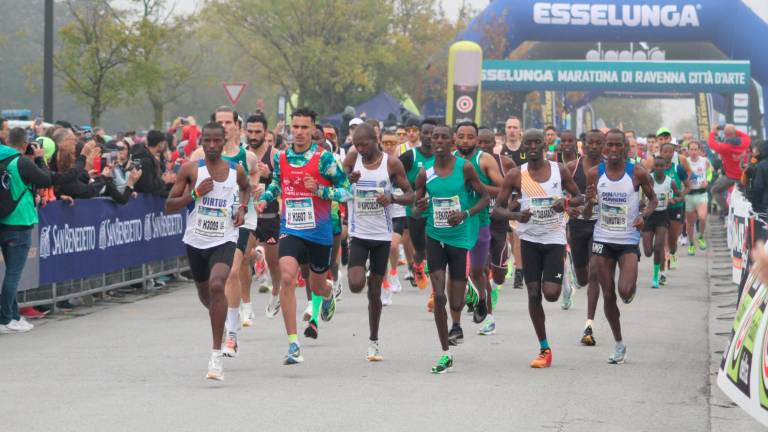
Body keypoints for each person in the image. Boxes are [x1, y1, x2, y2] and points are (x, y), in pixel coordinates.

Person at [256, 107, 351, 365]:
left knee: (317, 285)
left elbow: (346, 191)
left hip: (319, 233)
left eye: (304, 127)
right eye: (295, 127)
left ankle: (328, 291)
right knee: (287, 278)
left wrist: (320, 189)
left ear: (313, 130)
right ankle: (293, 344)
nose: (298, 132)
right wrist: (264, 198)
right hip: (291, 229)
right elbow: (276, 183)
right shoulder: (282, 157)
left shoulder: (324, 159)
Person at [492, 129, 583, 369]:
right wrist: (515, 214)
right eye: (528, 143)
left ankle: (564, 280)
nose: (533, 147)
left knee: (550, 294)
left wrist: (564, 203)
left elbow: (579, 198)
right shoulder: (515, 175)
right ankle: (544, 348)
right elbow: (497, 210)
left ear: (545, 145)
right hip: (529, 240)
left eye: (537, 143)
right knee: (533, 294)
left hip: (553, 238)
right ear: (523, 147)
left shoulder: (558, 170)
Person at [165, 122, 249, 380]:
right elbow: (169, 205)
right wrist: (194, 195)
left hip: (224, 238)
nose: (212, 146)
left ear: (224, 142)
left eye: (216, 141)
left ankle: (216, 357)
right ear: (202, 143)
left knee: (217, 285)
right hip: (196, 241)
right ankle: (219, 318)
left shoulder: (236, 170)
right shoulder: (191, 170)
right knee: (206, 296)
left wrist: (243, 208)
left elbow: (245, 189)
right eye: (207, 142)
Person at [413, 124, 489, 373]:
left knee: (455, 302)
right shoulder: (425, 173)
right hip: (435, 237)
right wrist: (420, 205)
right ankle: (445, 353)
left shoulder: (464, 168)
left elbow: (485, 198)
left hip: (459, 238)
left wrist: (465, 213)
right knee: (440, 297)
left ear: (452, 142)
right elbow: (416, 208)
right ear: (431, 142)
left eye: (445, 137)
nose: (439, 141)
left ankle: (470, 293)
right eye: (435, 137)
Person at [0, 128, 91, 333]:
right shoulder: (21, 162)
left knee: (10, 273)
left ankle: (13, 315)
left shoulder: (4, 159)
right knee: (14, 274)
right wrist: (81, 156)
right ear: (25, 145)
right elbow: (49, 179)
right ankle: (5, 319)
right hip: (19, 221)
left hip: (3, 221)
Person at [190, 107, 260, 356]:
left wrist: (252, 195)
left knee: (232, 271)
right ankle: (225, 319)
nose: (225, 126)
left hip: (239, 221)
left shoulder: (247, 157)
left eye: (229, 122)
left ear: (236, 126)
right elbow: (189, 182)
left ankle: (231, 335)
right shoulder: (198, 155)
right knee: (211, 288)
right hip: (209, 224)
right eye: (220, 122)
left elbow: (250, 183)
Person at [584, 129, 657, 365]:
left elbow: (653, 200)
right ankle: (618, 344)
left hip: (627, 241)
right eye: (610, 146)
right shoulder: (594, 174)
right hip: (602, 238)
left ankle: (630, 289)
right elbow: (587, 212)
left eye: (618, 146)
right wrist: (589, 201)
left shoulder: (636, 173)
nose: (613, 150)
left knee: (624, 291)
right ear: (605, 147)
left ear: (625, 148)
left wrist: (644, 215)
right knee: (607, 294)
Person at [343, 123, 413, 361]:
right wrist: (347, 178)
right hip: (359, 234)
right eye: (357, 145)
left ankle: (373, 340)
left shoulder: (391, 163)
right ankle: (348, 279)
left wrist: (392, 197)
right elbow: (338, 182)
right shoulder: (353, 158)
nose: (361, 149)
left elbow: (411, 194)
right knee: (355, 284)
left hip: (383, 235)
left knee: (374, 290)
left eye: (365, 144)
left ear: (376, 140)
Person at [453, 121, 504, 334]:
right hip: (453, 223)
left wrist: (477, 187)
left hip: (479, 221)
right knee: (455, 272)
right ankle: (455, 325)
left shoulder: (484, 159)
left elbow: (503, 189)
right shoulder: (449, 160)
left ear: (476, 139)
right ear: (455, 138)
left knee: (478, 270)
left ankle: (484, 302)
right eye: (461, 136)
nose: (466, 141)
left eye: (470, 137)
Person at [565, 129, 604, 346]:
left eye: (600, 143)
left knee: (595, 272)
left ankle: (588, 325)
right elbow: (561, 195)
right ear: (584, 145)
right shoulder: (573, 167)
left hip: (601, 226)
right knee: (583, 277)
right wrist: (568, 207)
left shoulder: (611, 168)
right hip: (579, 226)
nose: (595, 146)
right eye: (591, 143)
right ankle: (575, 275)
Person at [244, 114, 281, 318]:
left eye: (258, 132)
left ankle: (276, 293)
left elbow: (287, 186)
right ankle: (246, 306)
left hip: (270, 217)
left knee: (274, 262)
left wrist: (269, 175)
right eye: (250, 131)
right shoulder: (242, 155)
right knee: (244, 258)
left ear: (266, 133)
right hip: (249, 216)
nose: (253, 135)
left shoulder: (276, 155)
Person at [477, 126, 515, 321]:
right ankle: (486, 307)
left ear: (495, 144)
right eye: (480, 142)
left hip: (499, 224)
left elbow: (516, 191)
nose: (483, 146)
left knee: (499, 275)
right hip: (479, 223)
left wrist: (511, 207)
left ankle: (493, 284)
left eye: (487, 142)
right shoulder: (469, 164)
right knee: (481, 268)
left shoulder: (506, 163)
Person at [399, 120, 436, 295]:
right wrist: (409, 189)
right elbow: (395, 174)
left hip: (435, 210)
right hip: (414, 210)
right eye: (426, 133)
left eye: (433, 134)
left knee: (431, 244)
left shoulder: (443, 156)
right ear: (421, 134)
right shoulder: (411, 155)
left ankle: (435, 286)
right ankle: (418, 265)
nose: (429, 137)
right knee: (420, 248)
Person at [380, 128, 409, 301]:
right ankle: (385, 287)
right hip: (379, 213)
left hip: (398, 211)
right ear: (380, 144)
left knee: (392, 246)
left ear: (398, 144)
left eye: (392, 143)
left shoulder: (403, 163)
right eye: (386, 143)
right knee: (382, 250)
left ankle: (393, 272)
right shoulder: (375, 162)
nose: (389, 146)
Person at [643, 156, 681, 288]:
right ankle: (657, 262)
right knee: (648, 251)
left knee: (659, 246)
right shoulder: (649, 178)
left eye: (662, 166)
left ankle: (656, 277)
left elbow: (679, 194)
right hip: (649, 215)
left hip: (662, 215)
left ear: (666, 167)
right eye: (656, 166)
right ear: (653, 167)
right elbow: (640, 192)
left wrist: (674, 200)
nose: (659, 168)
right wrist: (642, 203)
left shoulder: (670, 181)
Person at [498, 116, 526, 289]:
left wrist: (518, 199)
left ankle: (519, 272)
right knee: (506, 236)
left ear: (520, 130)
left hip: (523, 196)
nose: (512, 130)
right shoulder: (498, 150)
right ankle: (504, 264)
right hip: (503, 197)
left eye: (515, 127)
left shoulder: (527, 149)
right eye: (509, 127)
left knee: (517, 236)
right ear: (505, 130)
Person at [709, 124, 751, 217]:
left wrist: (713, 132)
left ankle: (726, 210)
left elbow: (712, 144)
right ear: (735, 133)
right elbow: (744, 135)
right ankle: (748, 213)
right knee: (746, 196)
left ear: (725, 135)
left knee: (714, 191)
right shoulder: (746, 142)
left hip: (730, 177)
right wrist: (733, 130)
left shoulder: (725, 147)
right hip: (744, 176)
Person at [684, 141, 712, 255]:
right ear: (688, 150)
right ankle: (691, 244)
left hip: (701, 193)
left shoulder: (704, 161)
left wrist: (708, 180)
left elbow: (710, 173)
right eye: (692, 149)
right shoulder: (685, 162)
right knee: (690, 223)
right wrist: (685, 182)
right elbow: (681, 175)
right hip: (689, 195)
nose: (694, 152)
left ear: (699, 150)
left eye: (696, 149)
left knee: (702, 217)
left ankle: (700, 236)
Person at [131, 130, 175, 197]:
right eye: (163, 143)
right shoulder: (146, 161)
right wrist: (163, 181)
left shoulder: (144, 156)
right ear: (160, 144)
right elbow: (148, 187)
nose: (164, 146)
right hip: (143, 202)